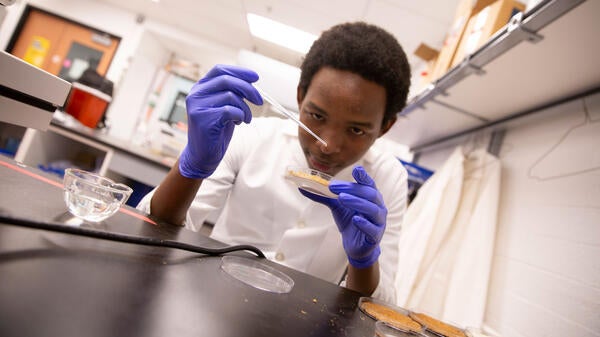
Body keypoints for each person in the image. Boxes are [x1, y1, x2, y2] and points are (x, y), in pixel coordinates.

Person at [137, 22, 411, 303]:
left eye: (355, 130)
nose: (327, 144)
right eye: (317, 116)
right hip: (212, 302)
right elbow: (152, 228)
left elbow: (384, 304)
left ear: (385, 127)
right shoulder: (251, 135)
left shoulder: (388, 177)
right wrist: (190, 167)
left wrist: (364, 261)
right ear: (300, 96)